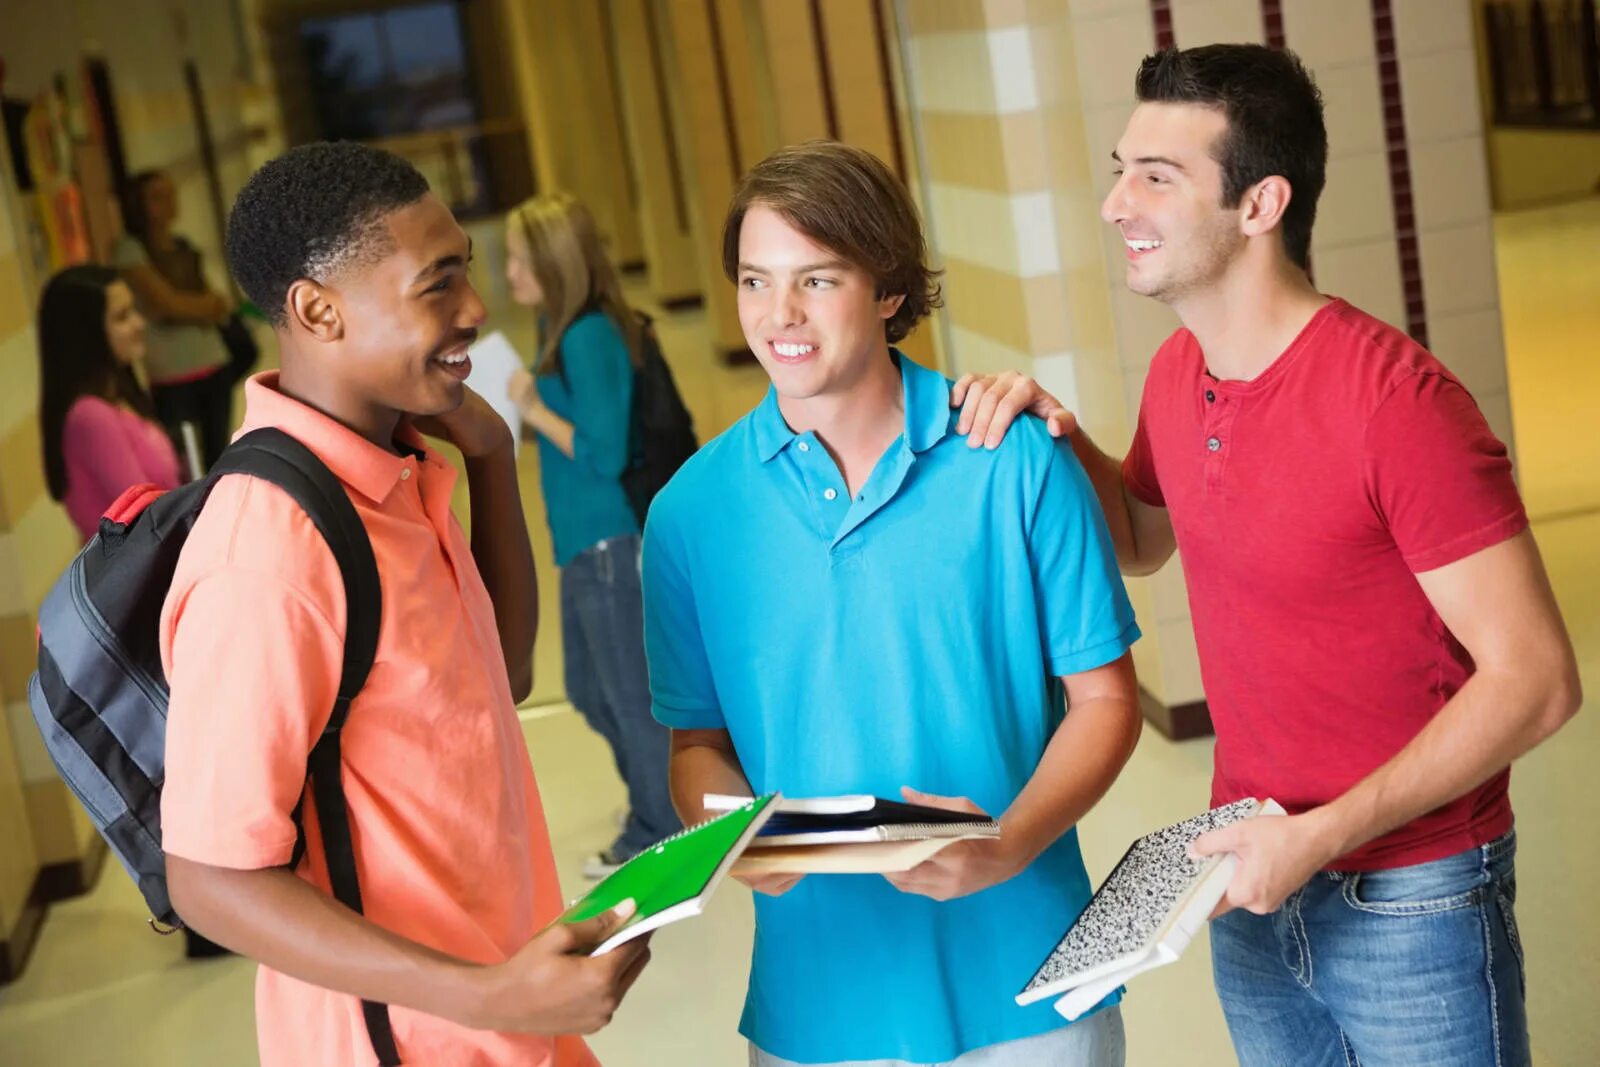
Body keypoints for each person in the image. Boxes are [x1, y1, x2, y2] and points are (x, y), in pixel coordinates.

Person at [954, 44, 1581, 1067]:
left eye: (1158, 177)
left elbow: (1539, 682)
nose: (1117, 203)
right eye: (1121, 168)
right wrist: (1053, 434)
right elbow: (1147, 540)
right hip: (1246, 873)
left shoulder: (1399, 405)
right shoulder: (1178, 366)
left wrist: (1320, 833)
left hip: (1411, 895)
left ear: (1259, 205)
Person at [641, 140, 1142, 1066]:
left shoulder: (1015, 461)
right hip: (819, 1000)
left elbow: (1107, 702)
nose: (778, 315)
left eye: (817, 279)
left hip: (1032, 984)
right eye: (755, 280)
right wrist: (727, 832)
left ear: (887, 291)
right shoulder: (687, 515)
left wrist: (1005, 842)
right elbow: (695, 744)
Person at [159, 142, 650, 1066]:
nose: (475, 310)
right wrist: (485, 992)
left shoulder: (403, 467)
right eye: (439, 284)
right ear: (317, 309)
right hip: (412, 1040)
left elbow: (500, 673)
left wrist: (494, 462)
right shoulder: (267, 551)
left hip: (510, 1011)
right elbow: (210, 876)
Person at [504, 193, 681, 878]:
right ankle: (655, 796)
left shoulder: (585, 334)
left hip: (610, 542)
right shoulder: (557, 325)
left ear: (550, 262)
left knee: (628, 697)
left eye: (517, 258)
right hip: (582, 542)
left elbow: (605, 452)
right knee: (586, 687)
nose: (508, 270)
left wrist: (530, 406)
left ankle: (656, 828)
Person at [37, 265, 181, 542]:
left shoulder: (119, 399)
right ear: (85, 334)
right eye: (122, 317)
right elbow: (145, 517)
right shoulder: (91, 417)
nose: (139, 323)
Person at [113, 168, 236, 470]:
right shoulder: (129, 251)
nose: (168, 202)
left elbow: (220, 304)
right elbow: (165, 304)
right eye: (157, 197)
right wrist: (198, 307)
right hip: (173, 376)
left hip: (213, 363)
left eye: (170, 194)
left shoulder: (183, 245)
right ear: (137, 205)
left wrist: (191, 307)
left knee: (221, 460)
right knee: (187, 467)